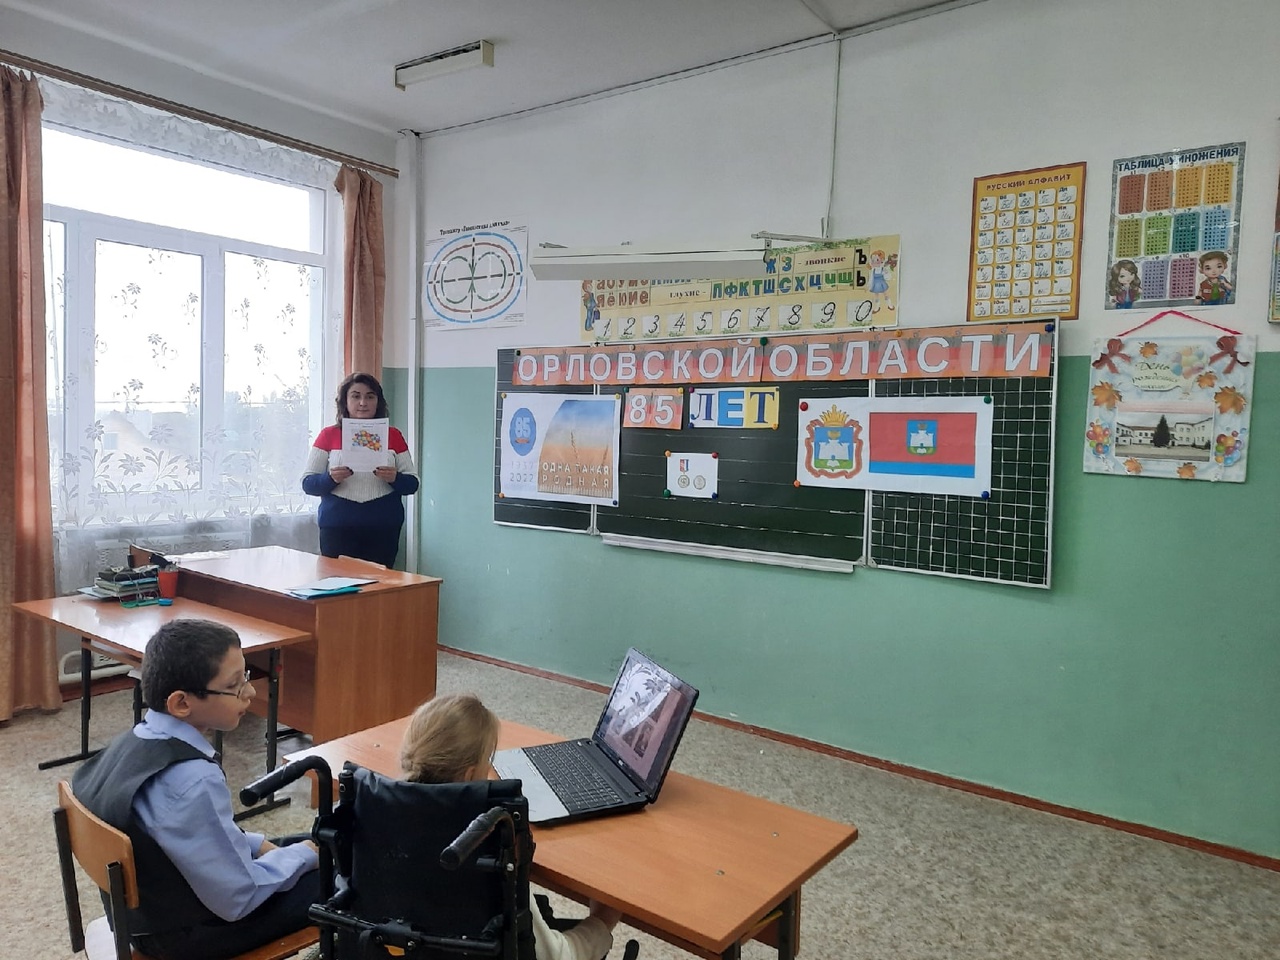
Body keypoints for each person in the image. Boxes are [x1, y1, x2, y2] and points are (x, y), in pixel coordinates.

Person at [71, 620, 320, 960]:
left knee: (312, 843)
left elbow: (187, 832)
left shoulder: (133, 741)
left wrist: (260, 845)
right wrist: (303, 856)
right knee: (346, 877)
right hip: (188, 936)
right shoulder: (193, 779)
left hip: (144, 918)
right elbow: (238, 898)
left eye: (246, 677)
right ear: (182, 703)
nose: (250, 692)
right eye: (234, 685)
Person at [399, 694, 623, 960]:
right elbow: (557, 956)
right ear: (470, 774)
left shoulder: (378, 816)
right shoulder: (489, 849)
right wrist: (602, 921)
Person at [302, 372, 419, 568]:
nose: (363, 403)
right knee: (338, 583)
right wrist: (330, 478)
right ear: (345, 401)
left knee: (379, 584)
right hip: (337, 526)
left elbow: (412, 484)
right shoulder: (328, 435)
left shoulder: (393, 435)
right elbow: (308, 484)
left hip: (383, 528)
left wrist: (395, 478)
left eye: (370, 396)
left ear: (378, 401)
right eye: (356, 396)